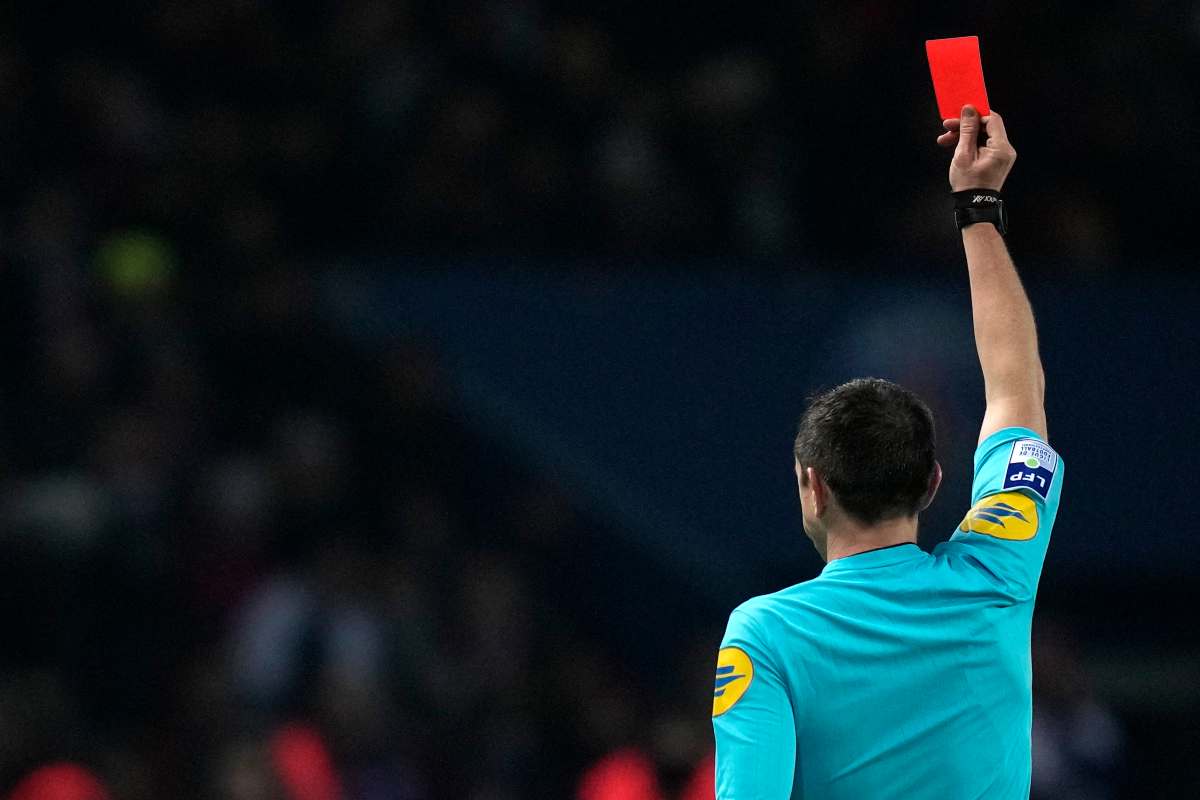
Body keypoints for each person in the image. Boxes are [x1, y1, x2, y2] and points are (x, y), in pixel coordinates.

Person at [711, 105, 1063, 799]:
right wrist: (978, 204)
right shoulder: (996, 571)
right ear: (933, 482)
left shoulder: (763, 636)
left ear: (813, 486)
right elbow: (1016, 385)